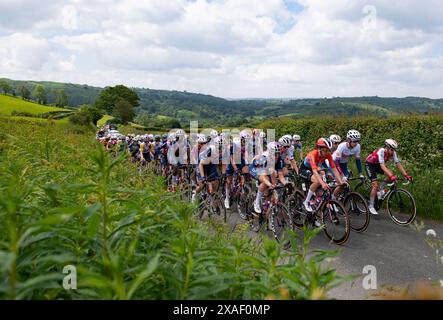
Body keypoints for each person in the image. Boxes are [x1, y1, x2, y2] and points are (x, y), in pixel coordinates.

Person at [365, 139, 413, 215]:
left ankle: (380, 190)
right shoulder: (381, 151)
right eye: (392, 149)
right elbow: (383, 166)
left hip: (378, 165)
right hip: (370, 165)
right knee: (375, 185)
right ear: (386, 147)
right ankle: (371, 206)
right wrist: (391, 176)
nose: (393, 151)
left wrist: (406, 175)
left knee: (391, 173)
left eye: (394, 149)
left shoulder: (393, 153)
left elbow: (398, 164)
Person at [300, 138, 344, 215]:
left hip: (316, 168)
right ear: (319, 149)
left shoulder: (327, 154)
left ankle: (318, 199)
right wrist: (322, 184)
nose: (327, 153)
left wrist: (340, 181)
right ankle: (306, 202)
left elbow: (334, 169)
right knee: (317, 181)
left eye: (329, 151)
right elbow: (314, 172)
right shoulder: (313, 154)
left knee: (326, 177)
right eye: (326, 151)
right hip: (305, 169)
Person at [249, 142, 286, 215]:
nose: (277, 156)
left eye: (278, 153)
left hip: (267, 168)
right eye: (275, 154)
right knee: (266, 181)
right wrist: (269, 184)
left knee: (273, 185)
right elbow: (262, 176)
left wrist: (286, 184)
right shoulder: (264, 158)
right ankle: (256, 202)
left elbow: (280, 174)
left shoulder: (279, 158)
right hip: (255, 168)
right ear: (270, 153)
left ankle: (265, 206)